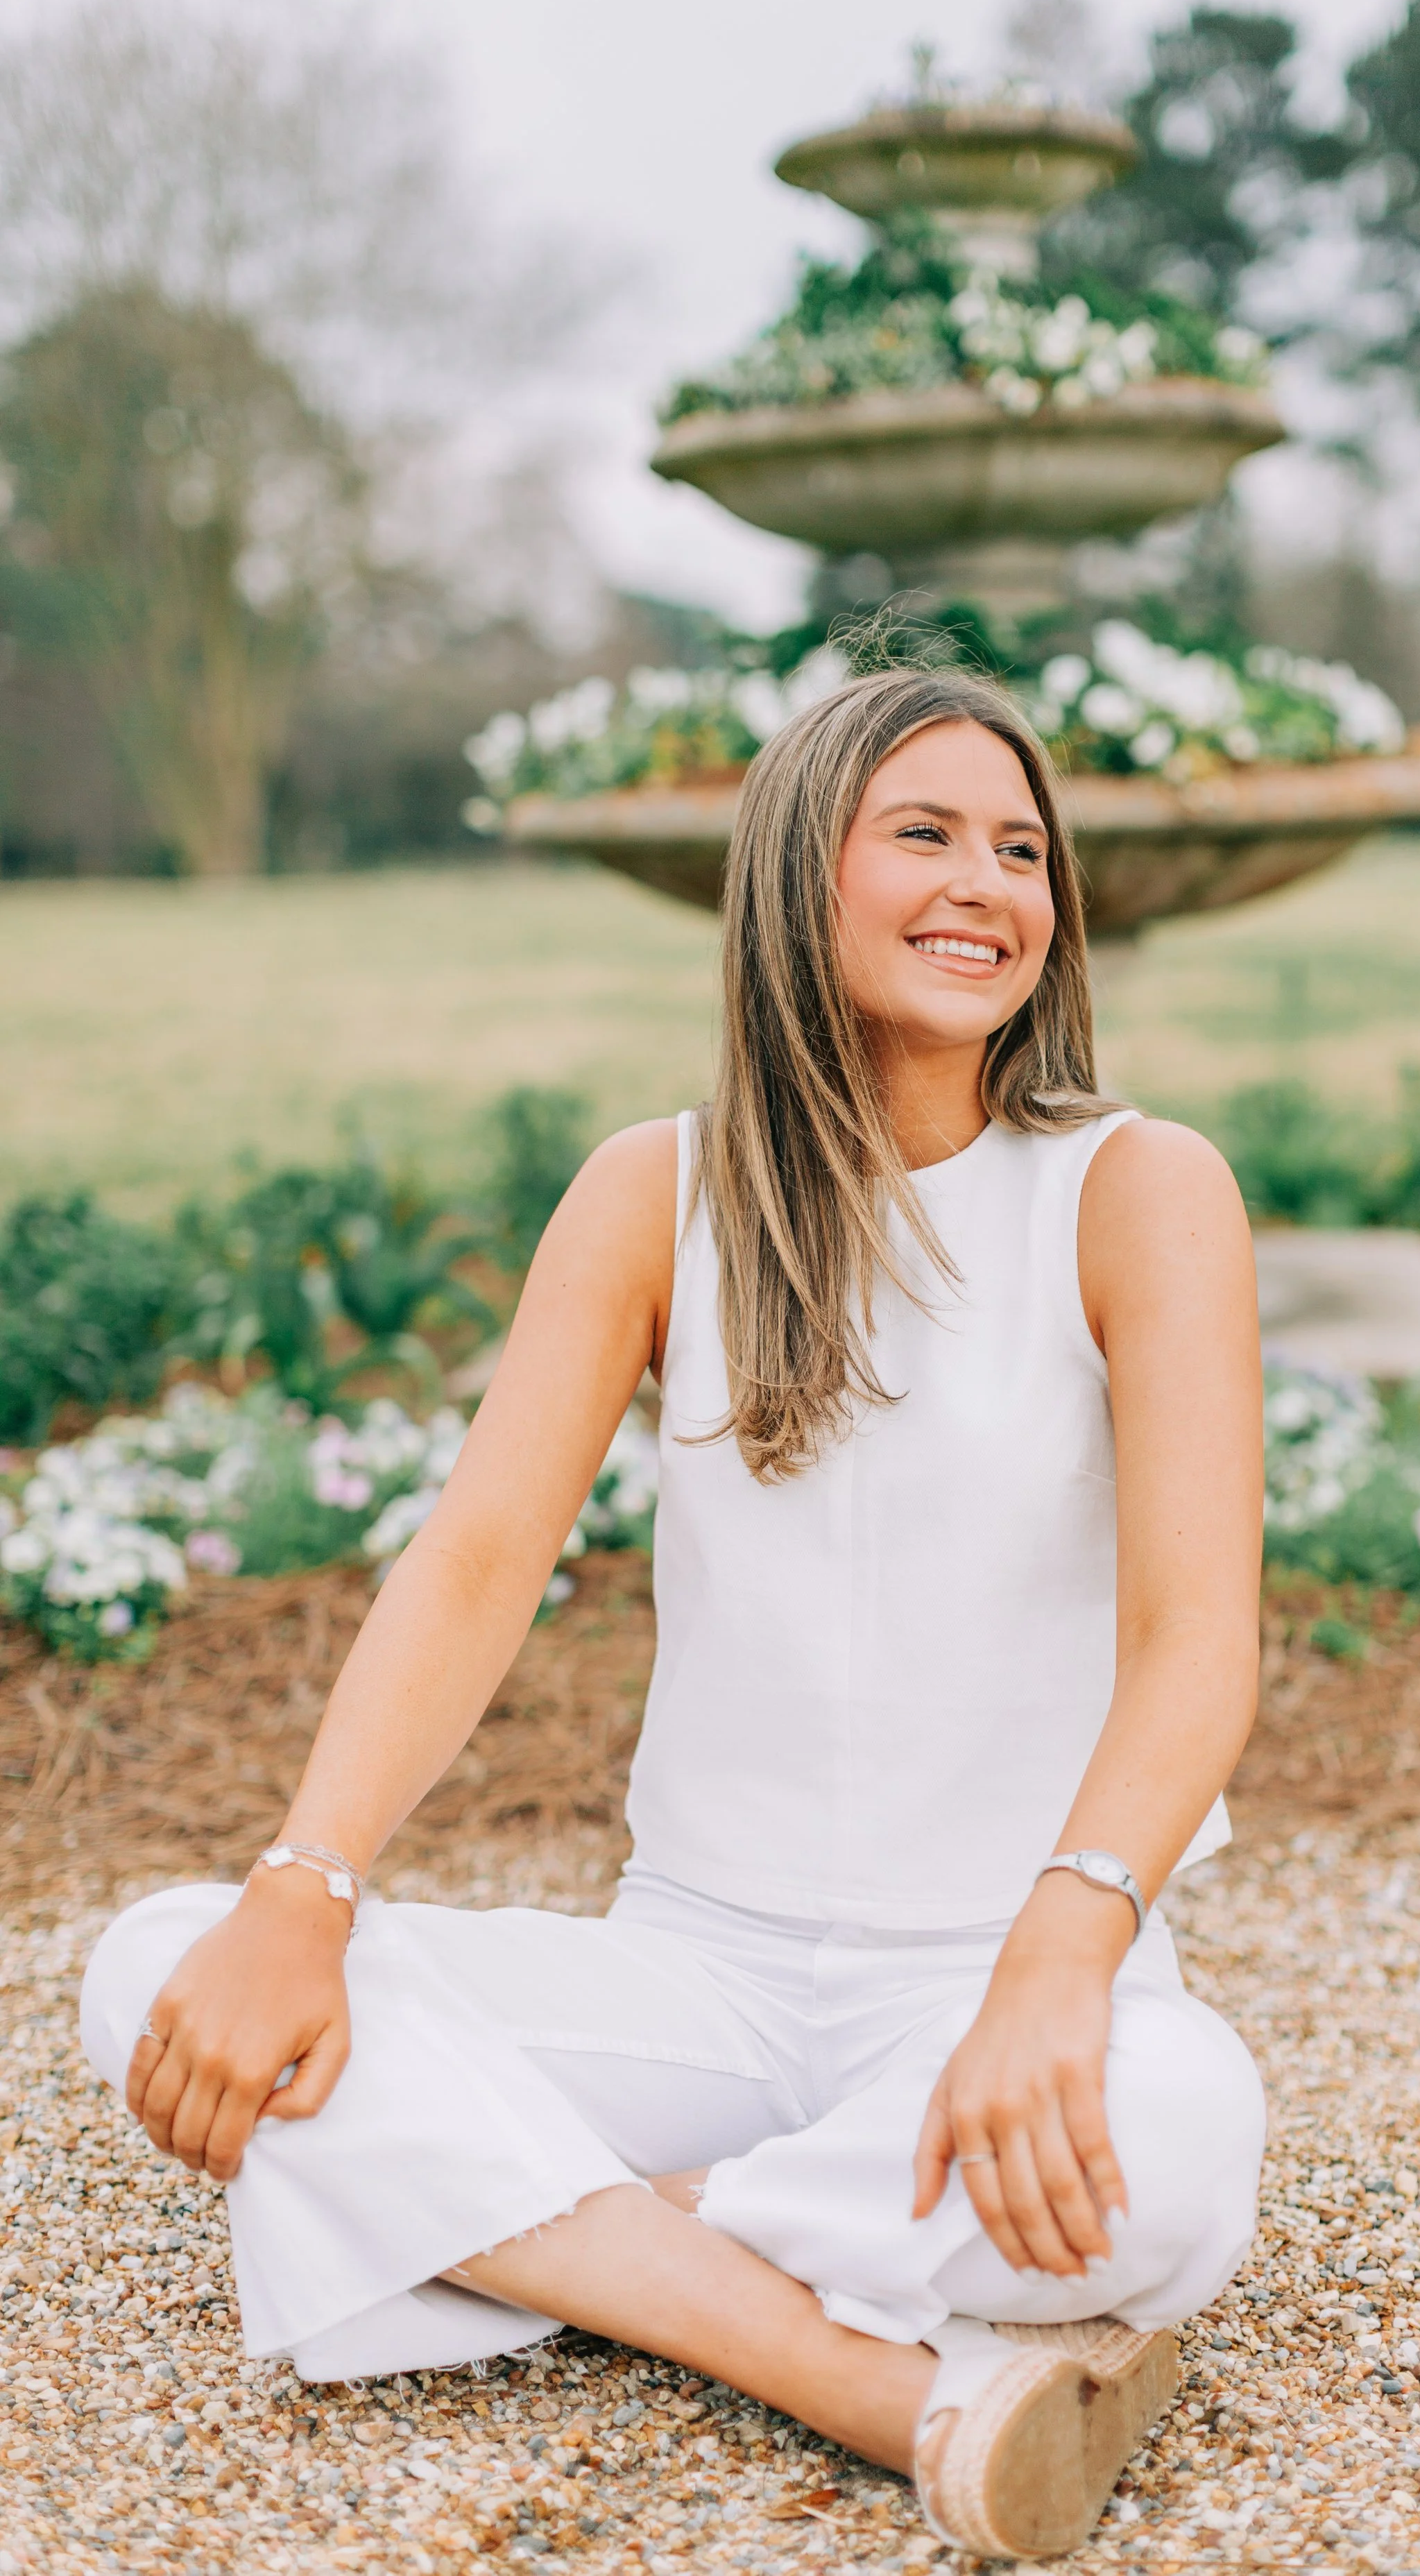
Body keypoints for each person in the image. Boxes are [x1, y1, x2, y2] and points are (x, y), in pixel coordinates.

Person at [79, 666, 1267, 2561]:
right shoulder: (659, 1192)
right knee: (156, 1961)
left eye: (1022, 847)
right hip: (694, 1974)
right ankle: (870, 2379)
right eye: (926, 833)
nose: (989, 885)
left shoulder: (1136, 1190)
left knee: (1184, 2135)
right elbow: (474, 1561)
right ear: (797, 873)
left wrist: (1057, 1963)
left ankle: (549, 2223)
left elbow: (1200, 1639)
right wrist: (304, 1887)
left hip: (1005, 1968)